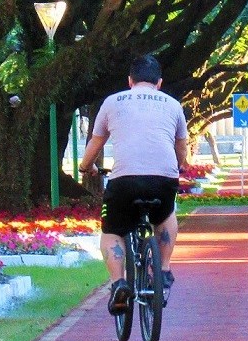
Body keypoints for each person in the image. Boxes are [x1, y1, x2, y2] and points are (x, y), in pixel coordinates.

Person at [79, 55, 188, 315]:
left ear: (130, 81)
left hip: (124, 182)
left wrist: (86, 168)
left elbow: (96, 143)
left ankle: (119, 284)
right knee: (166, 214)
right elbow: (181, 146)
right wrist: (178, 166)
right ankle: (163, 270)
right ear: (159, 83)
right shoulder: (173, 105)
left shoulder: (112, 102)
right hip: (163, 180)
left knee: (112, 229)